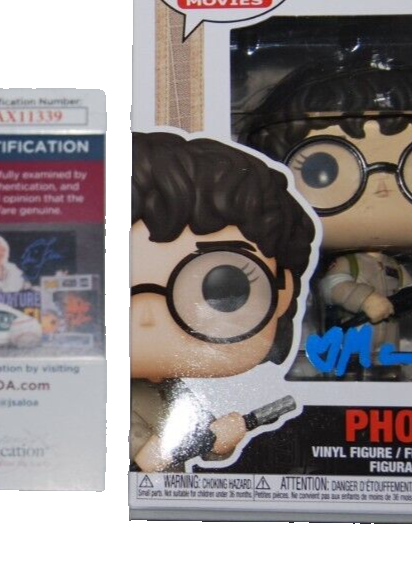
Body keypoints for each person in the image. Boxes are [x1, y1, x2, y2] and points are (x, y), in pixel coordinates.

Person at [240, 59, 412, 374]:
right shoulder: (348, 264)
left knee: (387, 375)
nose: (382, 186)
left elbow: (409, 297)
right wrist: (363, 299)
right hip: (349, 345)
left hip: (387, 350)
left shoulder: (393, 268)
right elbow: (332, 286)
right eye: (322, 169)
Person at [131, 132, 315, 472]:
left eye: (225, 285)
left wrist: (222, 442)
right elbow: (146, 461)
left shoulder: (175, 389)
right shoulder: (105, 398)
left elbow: (203, 447)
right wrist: (205, 439)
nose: (146, 315)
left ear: (283, 291)